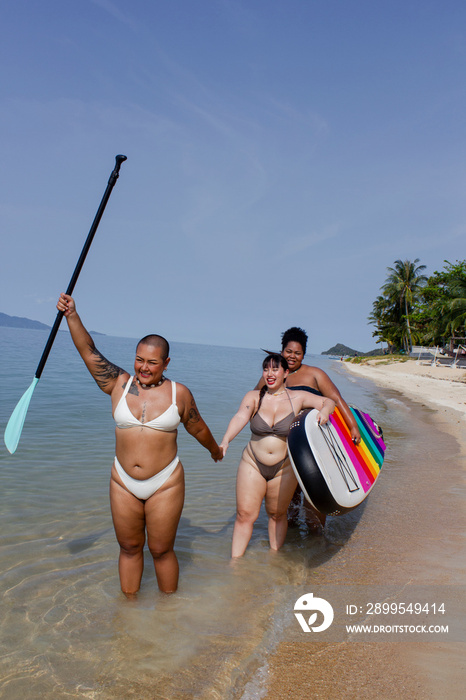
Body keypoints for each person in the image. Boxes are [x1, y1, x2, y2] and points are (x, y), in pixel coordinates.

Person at [56, 293, 222, 596]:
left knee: (161, 550)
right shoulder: (118, 384)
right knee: (129, 547)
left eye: (152, 363)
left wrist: (215, 450)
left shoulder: (178, 394)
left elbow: (197, 426)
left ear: (166, 363)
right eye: (139, 360)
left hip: (165, 482)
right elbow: (88, 351)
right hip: (122, 481)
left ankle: (168, 615)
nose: (144, 368)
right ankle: (128, 618)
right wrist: (72, 316)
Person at [220, 354, 335, 558]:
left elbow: (328, 401)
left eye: (275, 369)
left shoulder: (298, 397)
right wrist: (226, 440)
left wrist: (325, 412)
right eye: (266, 369)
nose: (269, 374)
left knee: (277, 515)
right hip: (252, 462)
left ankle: (274, 561)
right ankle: (235, 565)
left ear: (286, 373)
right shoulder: (253, 396)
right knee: (245, 515)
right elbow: (240, 416)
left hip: (285, 466)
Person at [256, 327, 361, 529]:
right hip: (284, 445)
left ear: (304, 353)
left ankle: (317, 541)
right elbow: (255, 402)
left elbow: (336, 399)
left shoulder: (314, 374)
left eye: (298, 353)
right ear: (282, 350)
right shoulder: (274, 373)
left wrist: (353, 427)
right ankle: (290, 545)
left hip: (314, 442)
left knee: (314, 495)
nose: (292, 356)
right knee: (290, 504)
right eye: (288, 351)